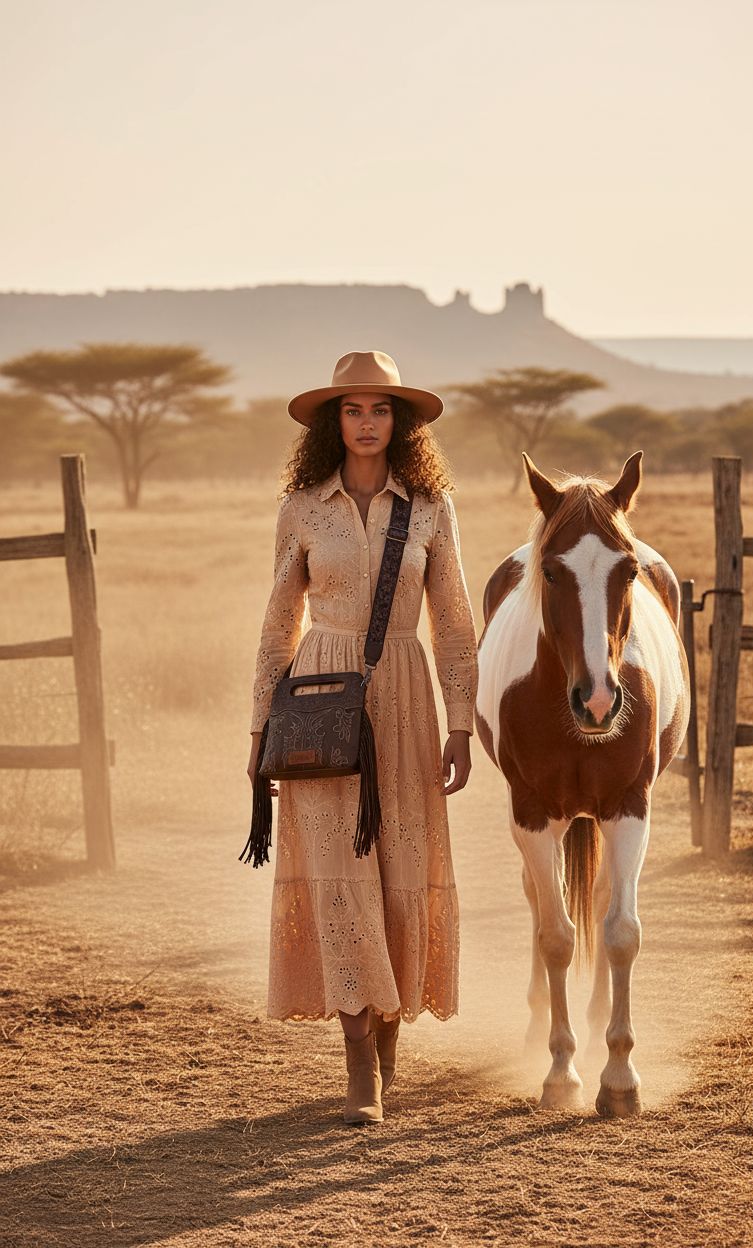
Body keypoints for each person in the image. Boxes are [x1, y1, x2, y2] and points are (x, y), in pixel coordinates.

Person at [247, 349, 478, 1124]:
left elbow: (454, 623)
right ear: (333, 422)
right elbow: (279, 622)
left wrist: (461, 723)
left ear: (400, 421)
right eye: (353, 409)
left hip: (406, 699)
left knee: (401, 873)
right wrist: (260, 728)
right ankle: (361, 1074)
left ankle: (387, 1048)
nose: (367, 422)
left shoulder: (432, 508)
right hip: (321, 703)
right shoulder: (302, 508)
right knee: (342, 880)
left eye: (380, 409)